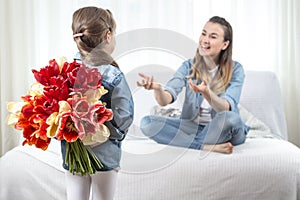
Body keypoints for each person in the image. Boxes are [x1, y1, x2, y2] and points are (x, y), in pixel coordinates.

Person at [137, 16, 249, 154]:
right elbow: (165, 100)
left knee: (230, 118)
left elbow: (225, 108)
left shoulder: (236, 69)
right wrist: (158, 89)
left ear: (224, 44)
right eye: (203, 34)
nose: (205, 40)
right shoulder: (188, 66)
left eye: (213, 37)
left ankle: (186, 142)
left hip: (223, 128)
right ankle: (203, 146)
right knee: (147, 123)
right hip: (193, 127)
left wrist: (206, 93)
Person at [61, 6, 134, 200]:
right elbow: (124, 118)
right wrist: (108, 134)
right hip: (105, 154)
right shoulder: (113, 75)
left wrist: (75, 132)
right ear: (108, 35)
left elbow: (55, 115)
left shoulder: (63, 72)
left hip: (72, 153)